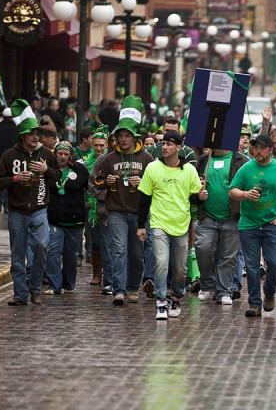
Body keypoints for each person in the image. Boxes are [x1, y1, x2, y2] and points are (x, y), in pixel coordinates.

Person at [0, 99, 60, 306]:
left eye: (37, 134)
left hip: (39, 210)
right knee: (17, 254)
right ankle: (20, 294)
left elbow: (58, 176)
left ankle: (35, 288)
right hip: (17, 211)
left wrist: (46, 170)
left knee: (41, 246)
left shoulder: (46, 154)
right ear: (22, 135)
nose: (35, 137)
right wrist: (15, 179)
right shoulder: (10, 155)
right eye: (31, 134)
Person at [92, 96, 155, 306]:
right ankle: (119, 290)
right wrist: (106, 181)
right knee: (119, 250)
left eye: (127, 135)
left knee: (137, 254)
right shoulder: (108, 159)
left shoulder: (147, 158)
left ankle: (133, 288)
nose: (124, 139)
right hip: (116, 211)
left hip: (139, 213)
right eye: (121, 136)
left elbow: (156, 185)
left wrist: (144, 181)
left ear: (134, 137)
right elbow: (96, 182)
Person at [228, 134, 276, 317]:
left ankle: (269, 292)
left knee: (275, 264)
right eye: (255, 148)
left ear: (270, 149)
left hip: (272, 224)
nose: (257, 151)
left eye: (261, 148)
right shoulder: (246, 168)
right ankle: (254, 304)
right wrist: (245, 194)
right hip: (249, 225)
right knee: (252, 266)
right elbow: (232, 191)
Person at [137, 131, 203, 320]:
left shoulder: (189, 170)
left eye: (169, 144)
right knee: (161, 263)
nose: (164, 147)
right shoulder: (152, 168)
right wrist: (141, 225)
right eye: (163, 143)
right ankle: (160, 302)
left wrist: (200, 197)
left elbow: (194, 198)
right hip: (159, 223)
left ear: (178, 147)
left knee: (180, 269)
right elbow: (144, 197)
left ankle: (176, 297)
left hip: (181, 225)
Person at [193, 146, 248, 305]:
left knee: (228, 256)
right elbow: (193, 185)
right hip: (207, 216)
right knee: (203, 248)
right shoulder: (204, 159)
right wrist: (198, 191)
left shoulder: (241, 160)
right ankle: (206, 283)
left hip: (232, 217)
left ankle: (224, 291)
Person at [44, 141, 88, 295]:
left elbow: (90, 188)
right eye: (60, 154)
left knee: (70, 256)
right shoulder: (49, 170)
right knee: (53, 252)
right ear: (55, 154)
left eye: (66, 154)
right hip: (54, 220)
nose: (63, 157)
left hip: (74, 221)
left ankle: (68, 284)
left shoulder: (80, 170)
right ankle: (54, 286)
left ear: (71, 156)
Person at [84, 126, 109, 286]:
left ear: (106, 145)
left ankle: (108, 273)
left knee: (109, 242)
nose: (99, 148)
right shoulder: (86, 164)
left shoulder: (110, 160)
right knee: (95, 242)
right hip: (91, 209)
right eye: (96, 145)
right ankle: (97, 273)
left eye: (102, 145)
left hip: (108, 208)